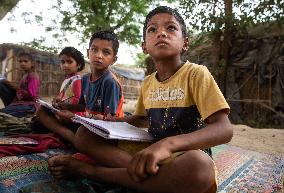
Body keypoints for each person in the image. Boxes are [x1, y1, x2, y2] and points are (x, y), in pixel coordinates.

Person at [48, 6, 233, 193]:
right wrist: (106, 122)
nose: (161, 33)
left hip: (183, 155)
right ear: (144, 45)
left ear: (185, 43)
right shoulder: (148, 82)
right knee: (84, 134)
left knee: (200, 168)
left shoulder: (196, 74)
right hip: (150, 150)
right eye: (152, 29)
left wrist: (167, 145)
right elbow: (141, 120)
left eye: (170, 28)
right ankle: (154, 177)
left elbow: (224, 129)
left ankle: (91, 171)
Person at [37, 31, 124, 144]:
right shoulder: (85, 79)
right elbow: (84, 106)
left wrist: (74, 117)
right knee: (42, 111)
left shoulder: (110, 82)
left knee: (81, 132)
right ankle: (74, 139)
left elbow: (109, 120)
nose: (98, 55)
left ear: (113, 59)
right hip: (86, 123)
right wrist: (65, 106)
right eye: (94, 49)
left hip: (106, 130)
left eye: (106, 52)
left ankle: (74, 140)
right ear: (88, 53)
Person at [35, 46, 85, 143]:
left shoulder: (77, 80)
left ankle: (68, 136)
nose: (65, 65)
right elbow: (62, 97)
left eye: (69, 62)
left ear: (78, 64)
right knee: (37, 122)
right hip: (62, 112)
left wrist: (62, 107)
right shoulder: (67, 80)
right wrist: (56, 101)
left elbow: (77, 100)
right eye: (62, 62)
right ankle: (64, 133)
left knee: (40, 117)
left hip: (72, 116)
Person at [0, 52, 40, 118]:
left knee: (3, 114)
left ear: (32, 63)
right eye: (20, 61)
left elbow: (31, 96)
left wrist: (12, 86)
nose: (22, 63)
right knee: (1, 84)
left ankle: (27, 113)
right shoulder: (25, 75)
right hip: (20, 102)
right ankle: (11, 108)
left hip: (30, 105)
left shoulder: (33, 76)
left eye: (25, 61)